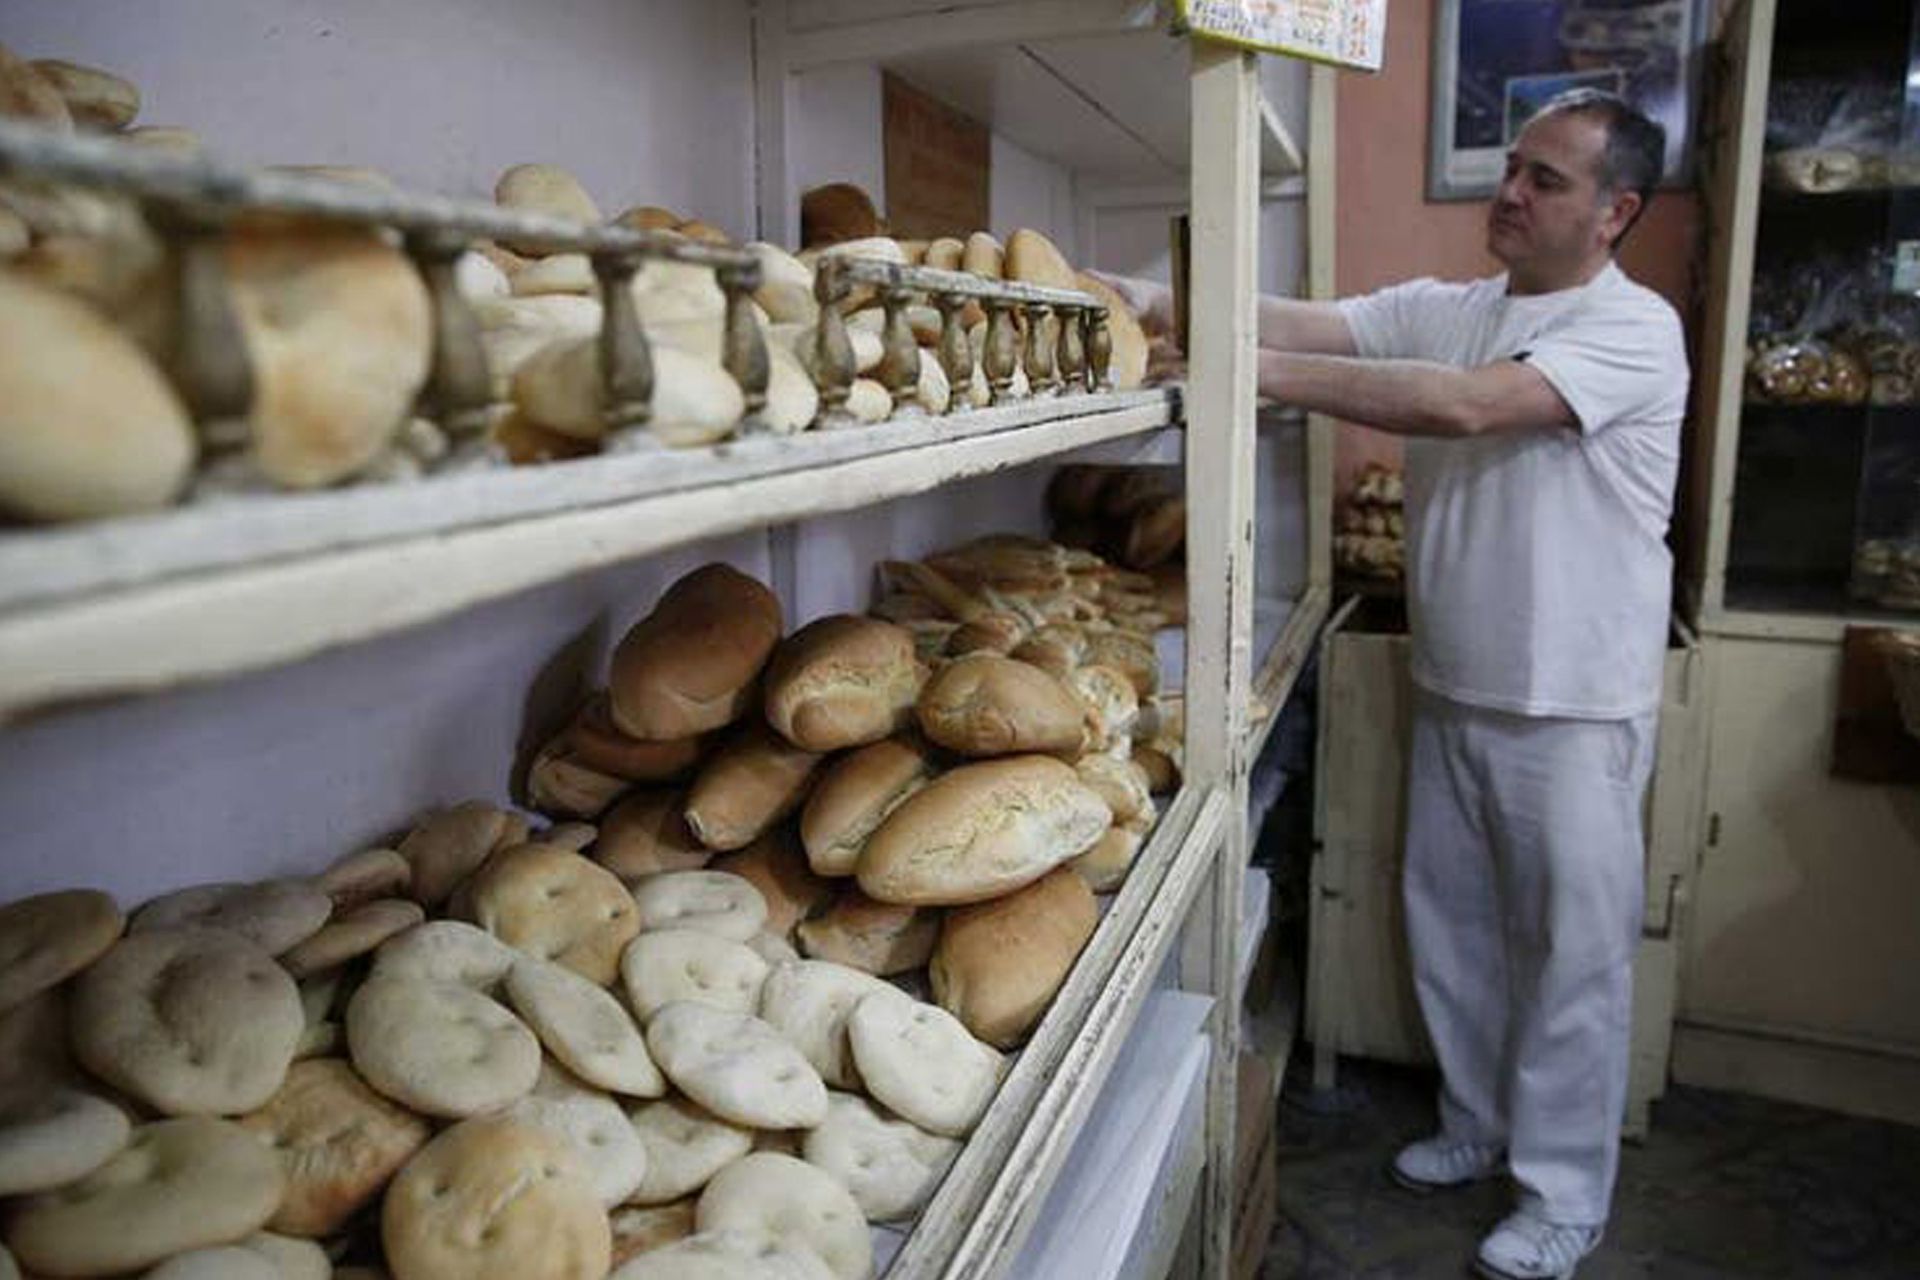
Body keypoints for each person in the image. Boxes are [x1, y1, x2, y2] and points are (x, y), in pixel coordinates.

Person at [1099, 89, 1688, 1280]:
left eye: (1547, 180)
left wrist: (1231, 362)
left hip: (1574, 706)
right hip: (1461, 677)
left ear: (1616, 210)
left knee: (1571, 959)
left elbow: (1463, 405)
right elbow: (1313, 322)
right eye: (1510, 168)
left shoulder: (1635, 330)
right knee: (1454, 928)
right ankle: (1475, 1123)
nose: (1510, 194)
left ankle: (1563, 1193)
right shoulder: (1457, 307)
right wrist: (1145, 297)